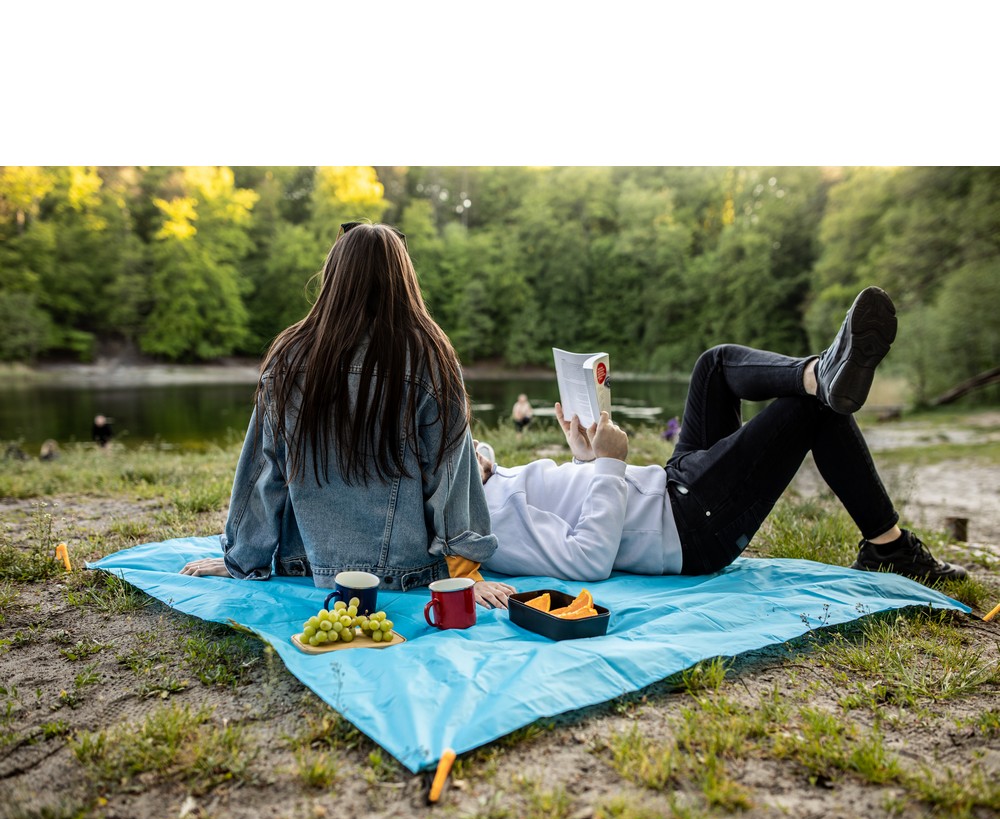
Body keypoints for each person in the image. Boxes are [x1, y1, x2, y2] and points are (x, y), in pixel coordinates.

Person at [477, 287, 968, 585]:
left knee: (713, 366)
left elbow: (575, 507)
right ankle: (889, 548)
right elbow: (589, 560)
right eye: (462, 453)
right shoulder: (490, 521)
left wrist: (585, 458)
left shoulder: (490, 483)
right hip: (690, 526)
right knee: (808, 410)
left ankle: (820, 373)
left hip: (671, 488)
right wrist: (608, 464)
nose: (477, 449)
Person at [180, 222, 515, 609]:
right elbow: (450, 472)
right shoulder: (430, 353)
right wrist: (465, 572)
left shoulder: (289, 353)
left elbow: (263, 471)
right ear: (402, 277)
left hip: (306, 564)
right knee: (478, 453)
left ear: (333, 276)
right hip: (406, 571)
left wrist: (243, 559)